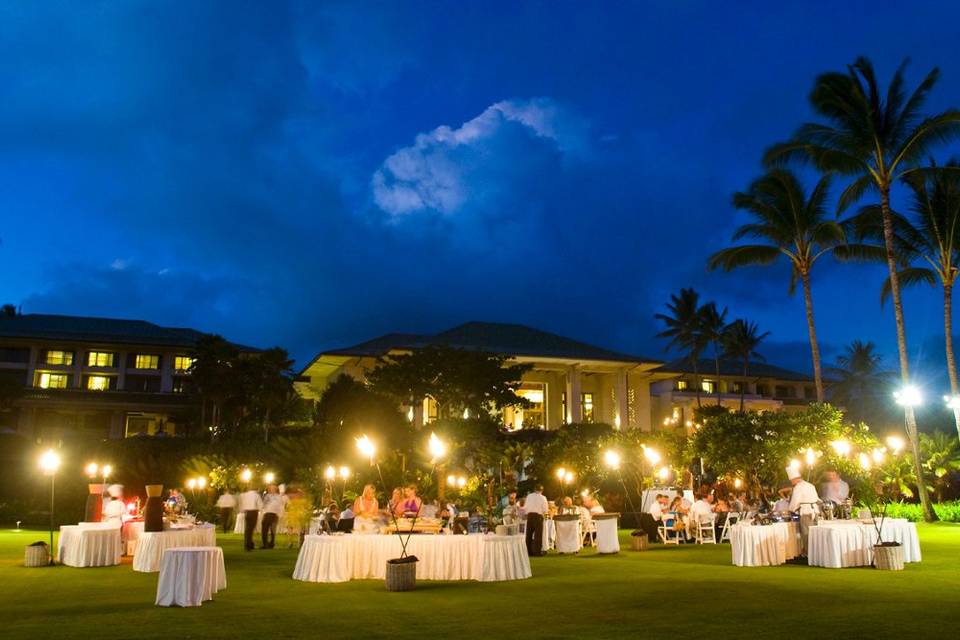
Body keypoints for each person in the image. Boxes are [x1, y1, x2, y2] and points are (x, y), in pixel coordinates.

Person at [787, 466, 820, 556]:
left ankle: (809, 554)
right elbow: (817, 499)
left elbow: (795, 501)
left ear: (794, 479)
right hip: (815, 511)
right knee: (815, 532)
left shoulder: (798, 487)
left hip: (805, 512)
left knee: (806, 534)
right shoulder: (810, 485)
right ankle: (815, 552)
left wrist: (790, 510)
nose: (791, 482)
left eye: (791, 481)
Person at [523, 484, 548, 557]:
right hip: (538, 516)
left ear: (534, 489)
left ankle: (528, 551)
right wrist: (545, 513)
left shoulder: (529, 496)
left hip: (530, 515)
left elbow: (526, 507)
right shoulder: (543, 498)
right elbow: (545, 509)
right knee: (538, 535)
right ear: (541, 490)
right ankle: (537, 552)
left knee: (529, 534)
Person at [238, 485, 263, 551]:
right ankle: (248, 545)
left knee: (247, 529)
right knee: (251, 529)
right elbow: (260, 505)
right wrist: (261, 510)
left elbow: (242, 504)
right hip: (254, 512)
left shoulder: (245, 495)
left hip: (247, 512)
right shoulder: (256, 495)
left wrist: (242, 510)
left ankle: (249, 544)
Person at [261, 484, 286, 549]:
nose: (269, 489)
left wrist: (279, 514)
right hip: (270, 513)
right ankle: (267, 544)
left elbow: (280, 506)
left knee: (270, 529)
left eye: (271, 488)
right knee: (268, 529)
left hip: (272, 514)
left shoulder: (273, 496)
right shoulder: (270, 496)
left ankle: (269, 544)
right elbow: (263, 505)